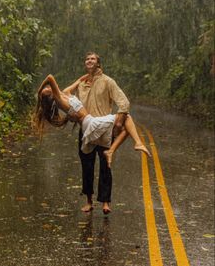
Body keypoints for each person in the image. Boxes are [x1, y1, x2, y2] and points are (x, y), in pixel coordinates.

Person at [34, 67, 150, 215]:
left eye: (47, 88)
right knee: (126, 117)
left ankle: (112, 151)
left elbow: (74, 85)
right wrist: (39, 91)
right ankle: (135, 143)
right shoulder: (57, 98)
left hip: (91, 125)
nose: (47, 88)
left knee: (123, 128)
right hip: (90, 124)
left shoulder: (64, 95)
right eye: (46, 90)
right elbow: (50, 76)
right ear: (49, 97)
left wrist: (83, 79)